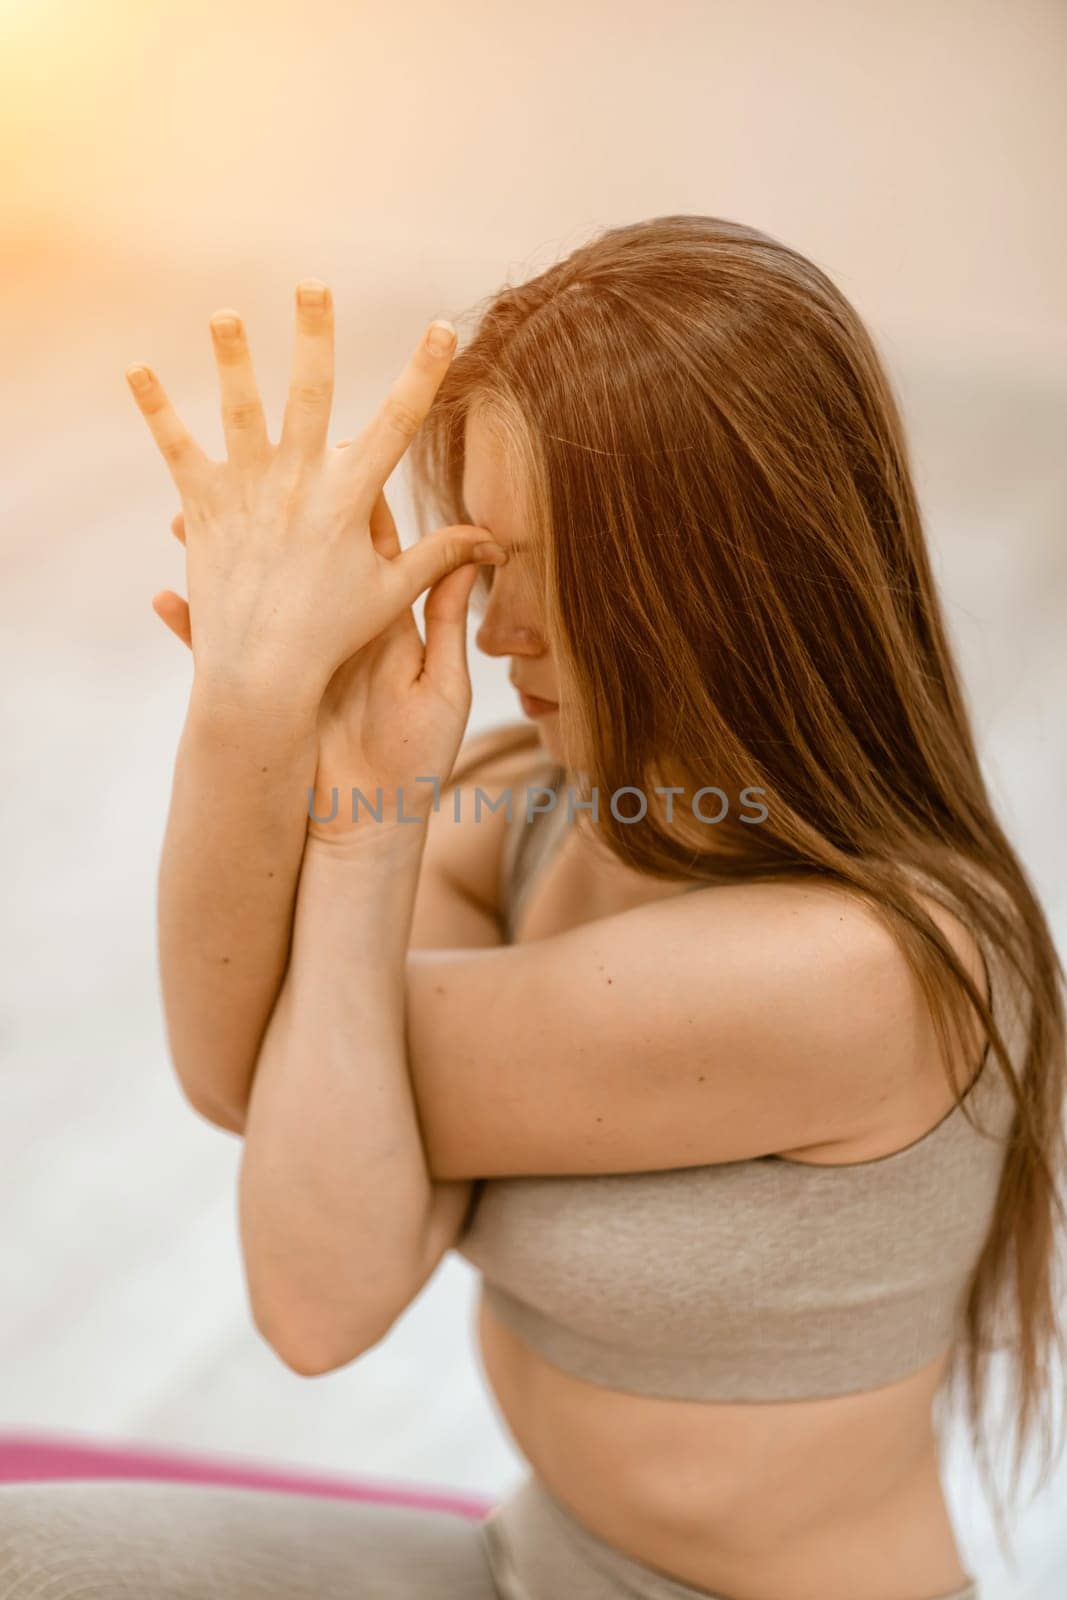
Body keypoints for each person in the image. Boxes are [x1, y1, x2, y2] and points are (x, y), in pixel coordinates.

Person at [2, 215, 1063, 1600]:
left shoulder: (862, 973)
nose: (497, 633)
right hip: (530, 1566)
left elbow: (301, 1275)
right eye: (486, 562)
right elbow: (288, 1144)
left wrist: (310, 769)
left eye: (555, 564)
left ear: (722, 577)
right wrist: (262, 720)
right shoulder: (530, 809)